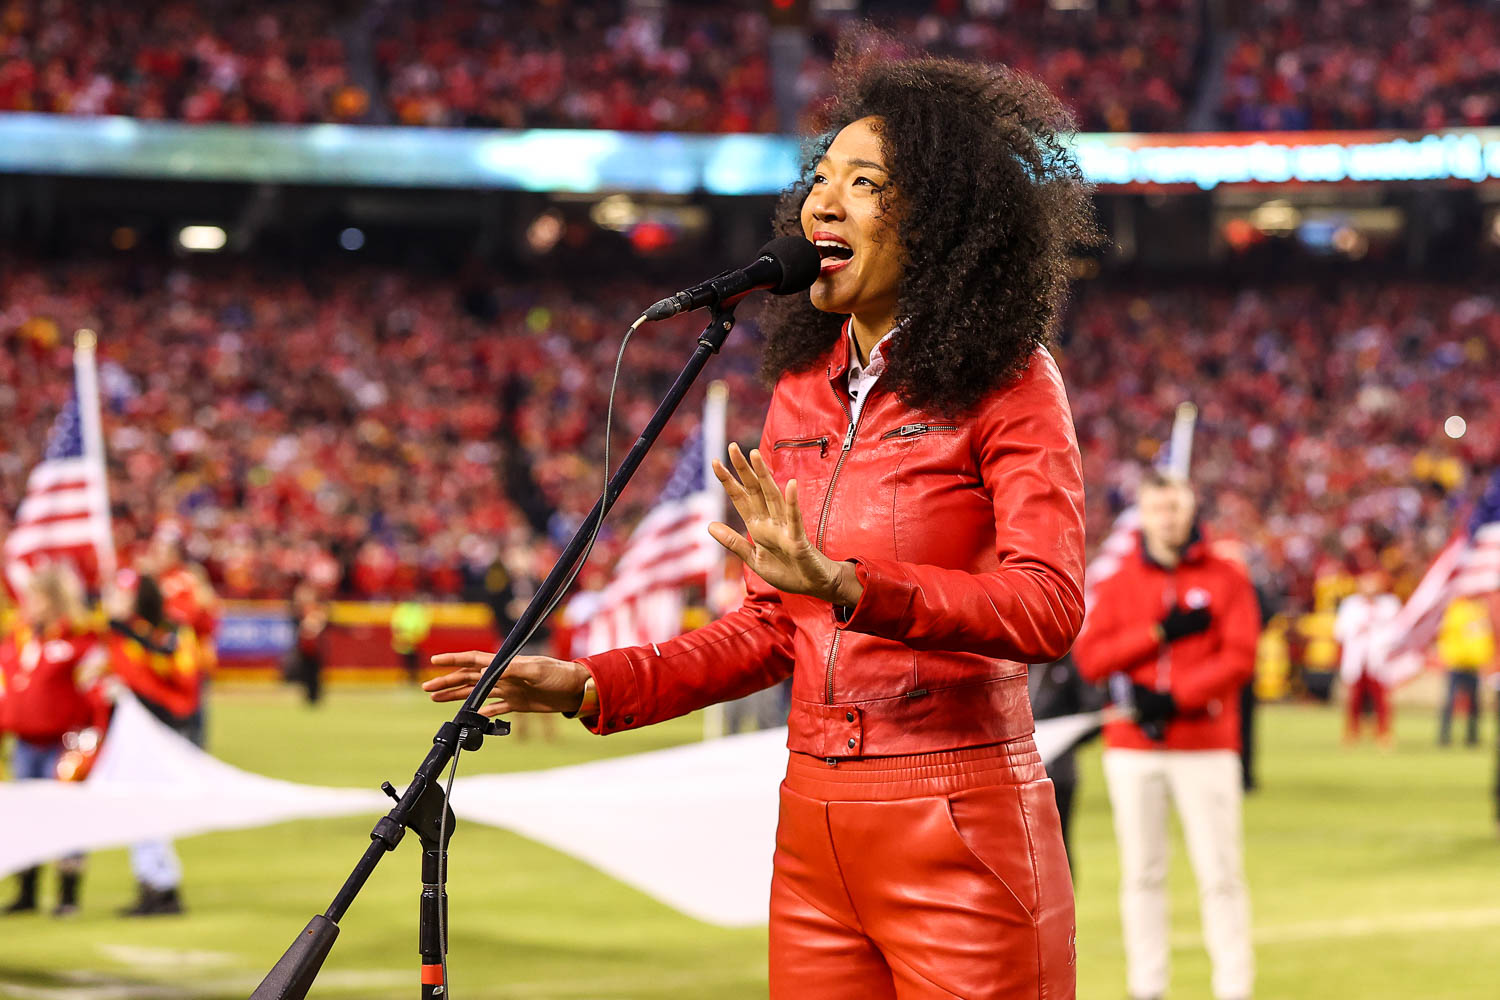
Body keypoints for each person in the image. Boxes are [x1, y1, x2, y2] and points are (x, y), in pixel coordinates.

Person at [425, 50, 1098, 998]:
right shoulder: (798, 391)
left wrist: (851, 586)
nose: (823, 201)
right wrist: (590, 685)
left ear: (944, 225)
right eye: (821, 177)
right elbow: (772, 629)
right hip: (814, 828)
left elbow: (1049, 606)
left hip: (959, 820)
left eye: (865, 185)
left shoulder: (1012, 382)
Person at [1073, 472, 1261, 1000]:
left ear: (1191, 509)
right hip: (1134, 749)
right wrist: (1157, 633)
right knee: (1142, 874)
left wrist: (1177, 696)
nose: (1169, 518)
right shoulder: (1119, 580)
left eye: (1176, 507)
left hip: (1205, 745)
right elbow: (1092, 658)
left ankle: (1234, 987)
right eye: (1159, 508)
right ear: (1144, 514)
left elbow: (1239, 658)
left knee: (1221, 874)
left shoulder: (1226, 577)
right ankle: (1147, 988)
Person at [0, 565, 109, 917]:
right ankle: (27, 890)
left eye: (37, 596)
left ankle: (67, 894)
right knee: (26, 817)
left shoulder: (80, 640)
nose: (29, 603)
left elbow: (96, 693)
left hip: (63, 744)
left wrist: (91, 742)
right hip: (25, 744)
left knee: (67, 818)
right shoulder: (21, 639)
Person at [105, 574, 204, 916]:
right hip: (134, 728)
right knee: (134, 805)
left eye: (121, 593)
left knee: (149, 804)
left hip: (160, 726)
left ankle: (163, 886)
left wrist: (125, 631)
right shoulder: (121, 631)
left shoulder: (168, 629)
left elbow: (177, 667)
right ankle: (151, 882)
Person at [1334, 569, 1401, 748]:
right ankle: (1352, 732)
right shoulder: (1350, 605)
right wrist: (1360, 629)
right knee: (1354, 699)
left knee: (1381, 698)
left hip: (1378, 658)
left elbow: (1396, 630)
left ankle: (1383, 733)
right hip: (1358, 658)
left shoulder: (1389, 604)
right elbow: (1340, 631)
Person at [1435, 596, 1493, 747]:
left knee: (1474, 703)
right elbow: (1449, 634)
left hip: (1473, 664)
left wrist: (1483, 657)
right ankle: (1444, 736)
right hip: (1457, 663)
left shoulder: (1480, 610)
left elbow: (1484, 637)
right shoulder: (1456, 609)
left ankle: (1472, 737)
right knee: (1450, 701)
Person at [391, 596, 433, 685]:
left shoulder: (403, 608)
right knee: (407, 659)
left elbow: (396, 623)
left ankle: (413, 677)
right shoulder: (415, 609)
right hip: (409, 637)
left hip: (412, 638)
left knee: (414, 659)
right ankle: (410, 677)